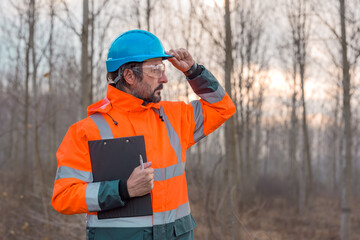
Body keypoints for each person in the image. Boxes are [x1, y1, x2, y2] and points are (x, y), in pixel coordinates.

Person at [52, 29, 236, 240]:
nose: (165, 78)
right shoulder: (87, 131)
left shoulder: (173, 118)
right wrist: (122, 190)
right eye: (156, 69)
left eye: (163, 68)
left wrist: (194, 72)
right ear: (129, 75)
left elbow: (222, 107)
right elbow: (63, 197)